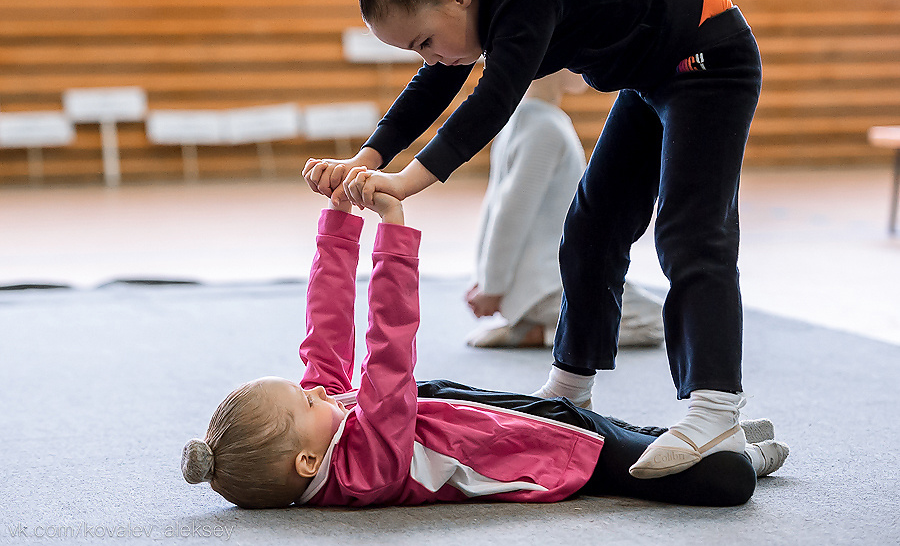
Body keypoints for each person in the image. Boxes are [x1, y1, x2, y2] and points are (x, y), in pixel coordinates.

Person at [303, 0, 763, 478]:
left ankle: (716, 410)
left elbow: (491, 103)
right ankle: (570, 393)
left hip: (708, 54)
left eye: (425, 41)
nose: (430, 57)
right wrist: (367, 159)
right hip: (655, 72)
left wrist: (406, 182)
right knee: (592, 227)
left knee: (691, 232)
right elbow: (435, 83)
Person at [181, 184, 788, 510]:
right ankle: (736, 459)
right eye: (307, 401)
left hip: (518, 421)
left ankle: (711, 440)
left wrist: (339, 228)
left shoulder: (323, 426)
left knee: (628, 431)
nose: (318, 391)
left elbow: (325, 333)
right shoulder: (365, 468)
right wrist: (393, 239)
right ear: (308, 464)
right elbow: (388, 349)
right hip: (554, 459)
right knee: (712, 482)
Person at [465, 69, 664, 350]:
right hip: (550, 285)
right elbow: (510, 214)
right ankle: (546, 334)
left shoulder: (517, 121)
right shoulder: (546, 127)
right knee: (658, 320)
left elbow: (496, 205)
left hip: (535, 285)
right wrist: (491, 288)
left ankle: (534, 324)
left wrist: (485, 278)